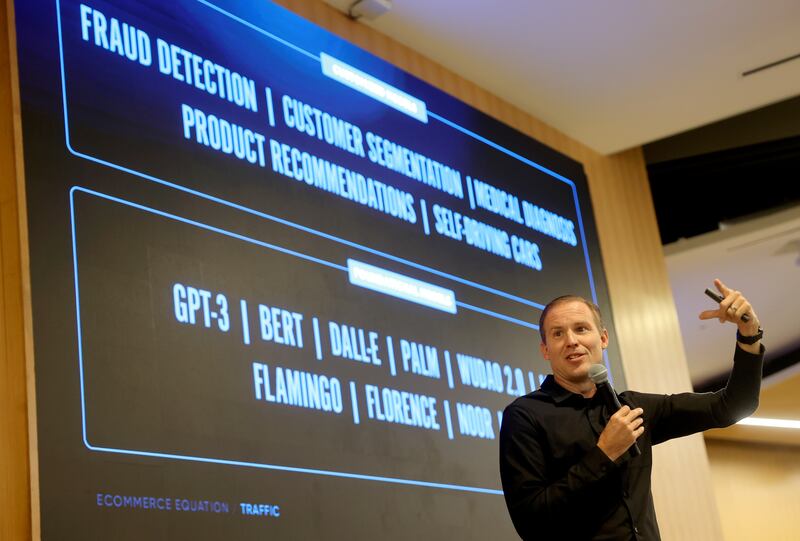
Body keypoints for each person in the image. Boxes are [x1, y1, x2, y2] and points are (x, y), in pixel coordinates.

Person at [499, 279, 763, 540]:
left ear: (603, 338)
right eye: (558, 334)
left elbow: (732, 406)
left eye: (581, 329)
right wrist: (604, 454)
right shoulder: (525, 415)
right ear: (545, 350)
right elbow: (530, 522)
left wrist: (749, 333)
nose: (571, 341)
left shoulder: (633, 408)